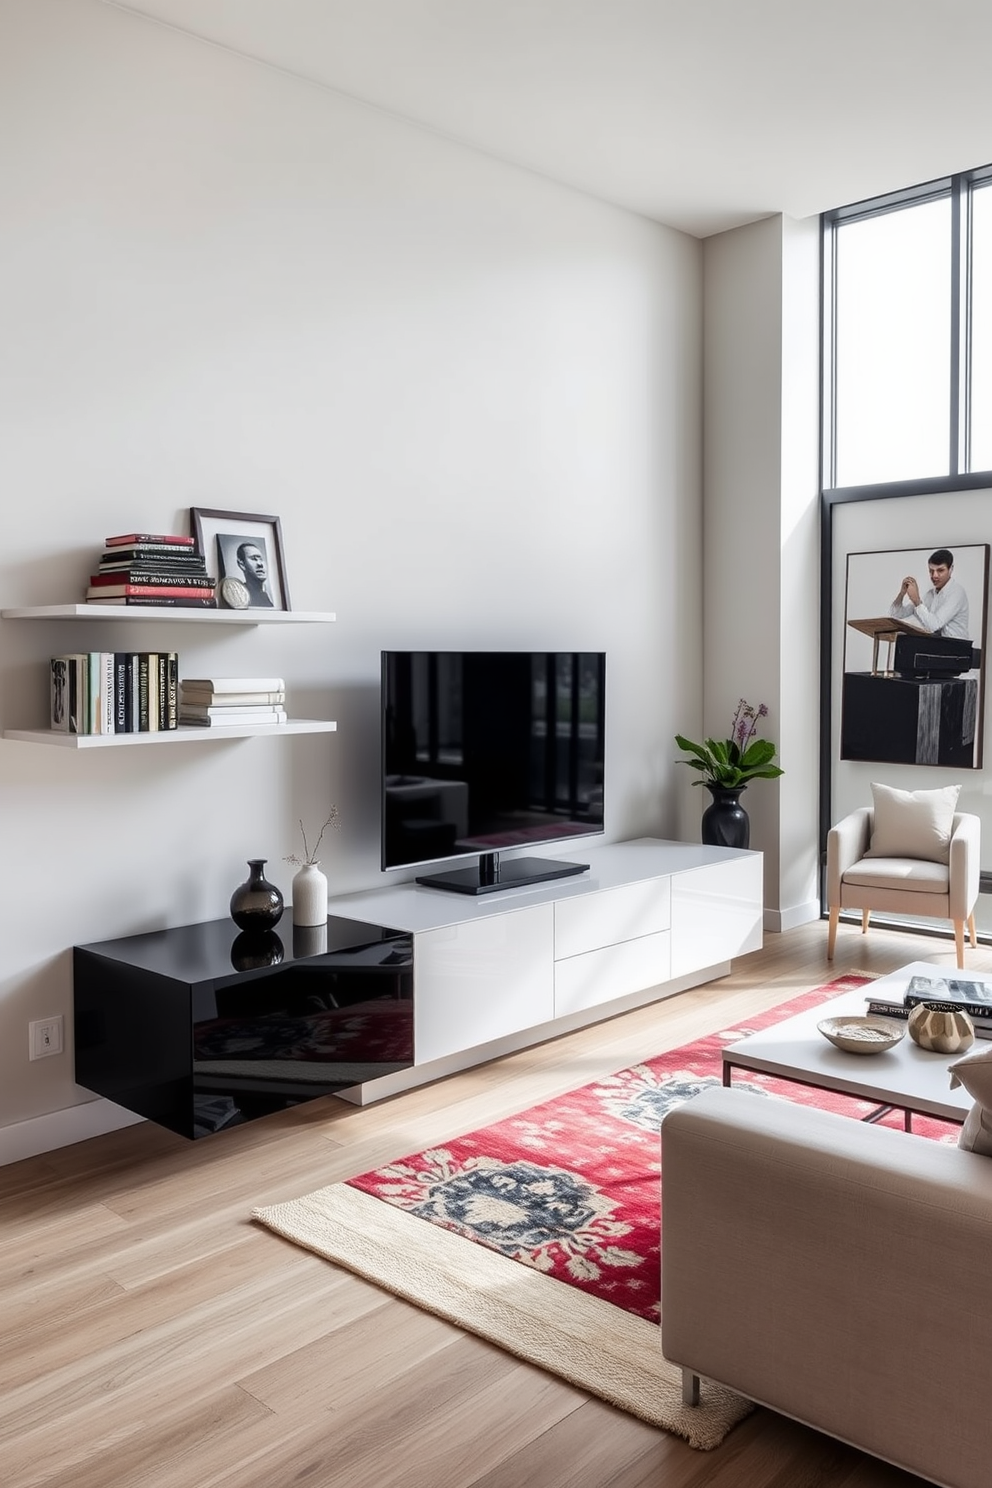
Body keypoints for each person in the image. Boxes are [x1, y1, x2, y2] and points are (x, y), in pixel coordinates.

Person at [888, 548, 970, 640]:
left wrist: (917, 601)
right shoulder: (930, 595)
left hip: (958, 647)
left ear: (951, 569)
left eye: (940, 570)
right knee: (903, 638)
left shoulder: (957, 592)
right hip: (938, 644)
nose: (934, 576)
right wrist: (902, 593)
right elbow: (896, 615)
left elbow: (934, 625)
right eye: (931, 571)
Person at [236, 540, 275, 607]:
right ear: (242, 564)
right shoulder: (239, 596)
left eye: (261, 559)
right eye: (254, 559)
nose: (260, 564)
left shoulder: (267, 596)